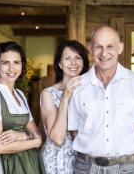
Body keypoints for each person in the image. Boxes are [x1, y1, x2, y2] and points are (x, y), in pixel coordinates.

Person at [68, 26, 134, 174]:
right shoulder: (78, 86)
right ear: (90, 48)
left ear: (120, 48)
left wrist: (127, 159)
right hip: (85, 167)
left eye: (110, 46)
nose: (104, 53)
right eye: (98, 47)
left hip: (125, 168)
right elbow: (75, 131)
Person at [0, 41, 44, 174]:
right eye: (5, 63)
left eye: (16, 62)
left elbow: (37, 134)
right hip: (6, 164)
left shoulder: (19, 94)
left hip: (29, 163)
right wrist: (34, 142)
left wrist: (21, 136)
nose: (12, 69)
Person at [40, 40, 89, 173]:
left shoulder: (91, 91)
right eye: (68, 58)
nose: (73, 63)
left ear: (83, 62)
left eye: (77, 58)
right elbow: (57, 138)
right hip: (58, 161)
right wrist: (65, 97)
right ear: (60, 64)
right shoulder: (49, 94)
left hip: (85, 160)